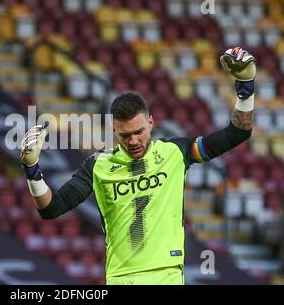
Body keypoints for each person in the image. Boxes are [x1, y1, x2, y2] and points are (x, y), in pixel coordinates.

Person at [20, 47, 256, 285]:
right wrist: (32, 170)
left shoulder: (175, 152)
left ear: (151, 123)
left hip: (168, 275)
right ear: (114, 131)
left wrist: (245, 86)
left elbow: (238, 133)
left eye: (139, 132)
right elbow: (51, 208)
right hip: (123, 278)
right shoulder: (98, 166)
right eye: (124, 135)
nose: (133, 141)